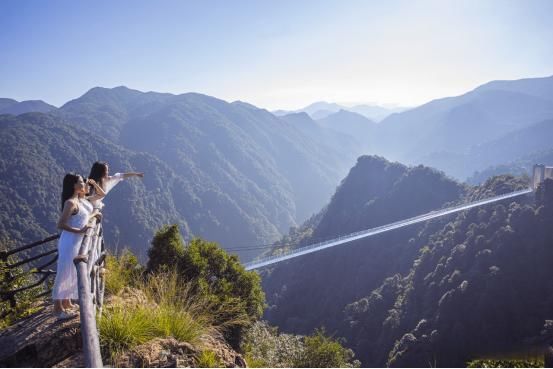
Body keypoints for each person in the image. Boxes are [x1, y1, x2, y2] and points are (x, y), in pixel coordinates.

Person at [52, 173, 102, 320]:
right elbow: (60, 224)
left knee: (71, 272)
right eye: (80, 181)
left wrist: (94, 216)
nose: (83, 183)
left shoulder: (79, 200)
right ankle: (57, 309)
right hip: (69, 241)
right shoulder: (70, 203)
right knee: (64, 272)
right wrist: (79, 231)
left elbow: (84, 217)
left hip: (77, 241)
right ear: (74, 185)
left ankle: (66, 303)